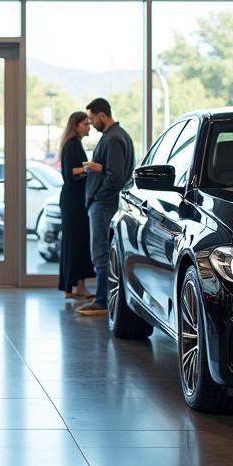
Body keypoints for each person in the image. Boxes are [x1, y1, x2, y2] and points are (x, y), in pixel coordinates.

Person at [77, 98, 135, 317]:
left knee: (100, 252)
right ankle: (102, 295)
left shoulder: (113, 139)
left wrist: (98, 197)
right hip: (103, 202)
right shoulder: (116, 136)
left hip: (104, 204)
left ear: (102, 115)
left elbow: (115, 176)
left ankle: (102, 300)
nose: (91, 124)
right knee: (102, 251)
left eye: (92, 119)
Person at [56, 112, 95, 300]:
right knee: (76, 243)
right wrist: (91, 167)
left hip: (73, 200)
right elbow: (71, 172)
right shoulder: (72, 145)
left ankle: (72, 287)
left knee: (74, 243)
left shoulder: (73, 144)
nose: (89, 127)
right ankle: (77, 287)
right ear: (76, 125)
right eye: (85, 123)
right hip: (74, 202)